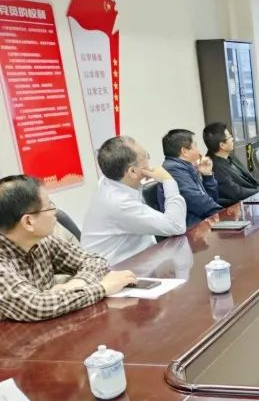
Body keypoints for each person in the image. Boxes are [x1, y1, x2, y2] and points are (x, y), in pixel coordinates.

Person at [0, 175, 137, 322]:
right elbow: (37, 306)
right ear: (28, 222)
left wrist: (76, 284)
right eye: (49, 206)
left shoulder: (42, 241)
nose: (55, 211)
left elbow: (95, 261)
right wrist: (103, 288)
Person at [81, 136, 187, 265]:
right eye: (146, 156)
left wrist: (138, 179)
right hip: (117, 269)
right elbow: (176, 226)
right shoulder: (120, 203)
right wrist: (168, 181)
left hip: (140, 259)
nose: (149, 161)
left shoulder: (109, 180)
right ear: (132, 171)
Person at [158, 129, 222, 227]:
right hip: (190, 230)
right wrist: (222, 214)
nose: (199, 151)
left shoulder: (186, 166)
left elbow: (210, 200)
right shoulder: (173, 169)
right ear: (184, 151)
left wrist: (207, 175)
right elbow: (196, 200)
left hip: (202, 224)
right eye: (195, 146)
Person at [202, 122, 259, 206]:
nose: (233, 139)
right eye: (230, 137)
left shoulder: (230, 156)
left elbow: (250, 179)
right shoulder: (214, 167)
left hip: (255, 195)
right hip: (243, 204)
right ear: (222, 145)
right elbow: (237, 192)